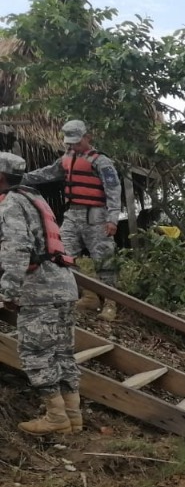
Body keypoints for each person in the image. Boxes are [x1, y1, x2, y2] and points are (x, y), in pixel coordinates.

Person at [0, 153, 83, 436]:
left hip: (38, 290)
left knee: (36, 354)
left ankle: (56, 418)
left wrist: (7, 291)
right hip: (63, 285)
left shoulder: (10, 203)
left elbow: (15, 249)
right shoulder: (33, 197)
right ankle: (73, 417)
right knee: (62, 353)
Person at [21, 120, 122, 321]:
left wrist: (113, 219)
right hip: (72, 215)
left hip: (97, 217)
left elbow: (114, 190)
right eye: (70, 143)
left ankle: (111, 303)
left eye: (76, 142)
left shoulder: (101, 162)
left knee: (104, 260)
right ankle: (89, 295)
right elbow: (47, 173)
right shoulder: (66, 159)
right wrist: (19, 178)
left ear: (87, 137)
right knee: (62, 255)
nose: (72, 146)